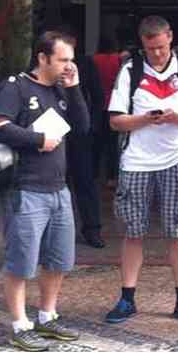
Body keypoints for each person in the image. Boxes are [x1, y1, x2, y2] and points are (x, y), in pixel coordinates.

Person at [0, 31, 90, 351]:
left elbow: (84, 127)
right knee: (21, 261)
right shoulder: (16, 87)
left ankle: (47, 316)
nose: (68, 66)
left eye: (71, 60)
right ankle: (20, 324)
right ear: (43, 58)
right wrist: (38, 140)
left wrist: (73, 89)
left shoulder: (63, 88)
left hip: (59, 188)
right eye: (62, 60)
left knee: (58, 259)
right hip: (26, 188)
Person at [106, 15, 178, 324]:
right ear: (143, 45)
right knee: (132, 231)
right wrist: (147, 118)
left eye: (162, 47)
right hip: (136, 161)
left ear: (171, 39)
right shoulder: (130, 70)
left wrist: (175, 117)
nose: (158, 54)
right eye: (151, 49)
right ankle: (127, 298)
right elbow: (115, 120)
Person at [65, 29, 107, 249]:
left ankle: (92, 228)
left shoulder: (85, 63)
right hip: (51, 134)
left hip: (80, 132)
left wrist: (94, 126)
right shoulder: (42, 67)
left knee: (85, 181)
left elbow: (98, 96)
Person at [93, 35, 131, 188]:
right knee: (113, 144)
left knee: (97, 142)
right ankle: (111, 177)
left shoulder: (94, 59)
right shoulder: (119, 59)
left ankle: (94, 175)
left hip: (98, 104)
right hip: (116, 105)